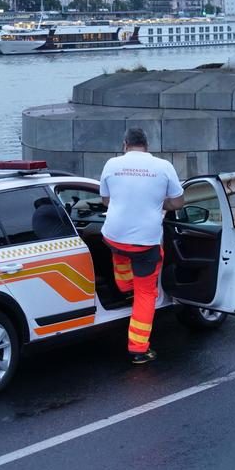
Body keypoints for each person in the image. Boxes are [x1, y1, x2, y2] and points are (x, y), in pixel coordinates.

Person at [99, 127, 185, 364]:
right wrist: (159, 202)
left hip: (114, 237)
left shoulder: (111, 164)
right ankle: (138, 349)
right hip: (145, 242)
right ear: (147, 145)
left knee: (121, 253)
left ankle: (125, 287)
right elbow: (178, 202)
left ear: (124, 144)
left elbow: (106, 200)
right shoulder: (163, 166)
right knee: (146, 293)